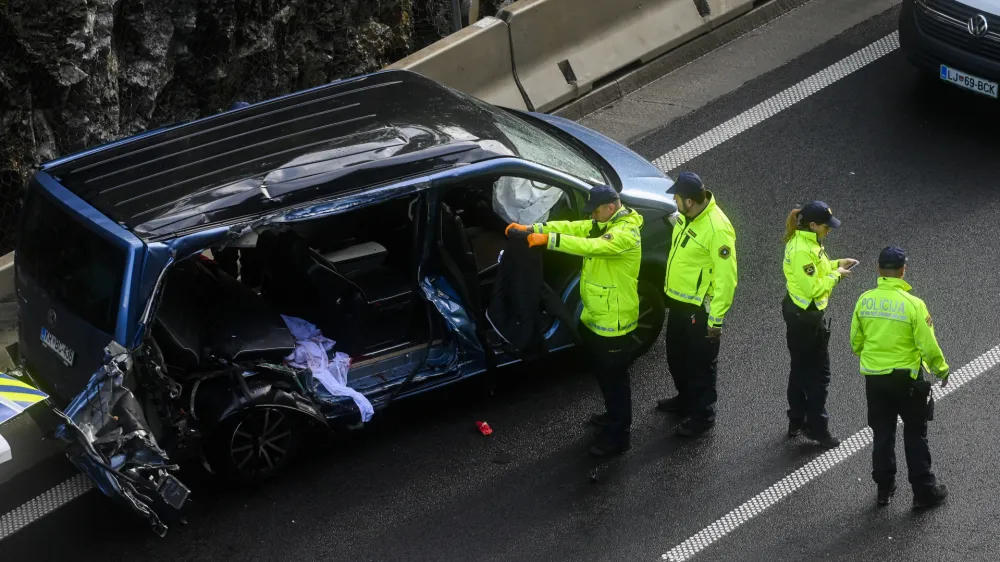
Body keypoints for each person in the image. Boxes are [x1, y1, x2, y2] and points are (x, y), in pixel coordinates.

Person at [505, 184, 643, 457]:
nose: (591, 217)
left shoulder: (625, 233)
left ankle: (619, 436)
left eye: (595, 211)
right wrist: (535, 229)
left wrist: (550, 242)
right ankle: (613, 417)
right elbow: (576, 228)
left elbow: (588, 245)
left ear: (611, 208)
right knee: (604, 374)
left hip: (614, 324)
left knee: (615, 380)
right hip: (599, 316)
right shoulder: (604, 222)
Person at [849, 247, 950, 508]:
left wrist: (873, 357)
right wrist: (941, 369)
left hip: (875, 380)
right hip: (907, 381)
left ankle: (884, 488)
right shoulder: (913, 304)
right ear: (903, 270)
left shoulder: (864, 300)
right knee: (915, 434)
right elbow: (927, 345)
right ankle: (923, 491)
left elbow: (855, 342)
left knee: (882, 433)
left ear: (877, 269)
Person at [656, 172, 737, 437]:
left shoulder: (717, 229)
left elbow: (727, 279)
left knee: (701, 365)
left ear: (689, 201)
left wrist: (715, 322)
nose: (675, 201)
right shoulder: (687, 217)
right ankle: (686, 399)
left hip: (701, 312)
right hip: (680, 304)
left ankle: (703, 416)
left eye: (677, 197)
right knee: (676, 357)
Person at [781, 201, 858, 449]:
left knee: (800, 370)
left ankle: (797, 420)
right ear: (813, 225)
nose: (829, 230)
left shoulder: (808, 242)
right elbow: (813, 287)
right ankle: (817, 428)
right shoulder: (804, 249)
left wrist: (836, 264)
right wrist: (837, 276)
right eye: (826, 226)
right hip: (807, 320)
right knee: (819, 377)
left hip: (799, 316)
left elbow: (816, 270)